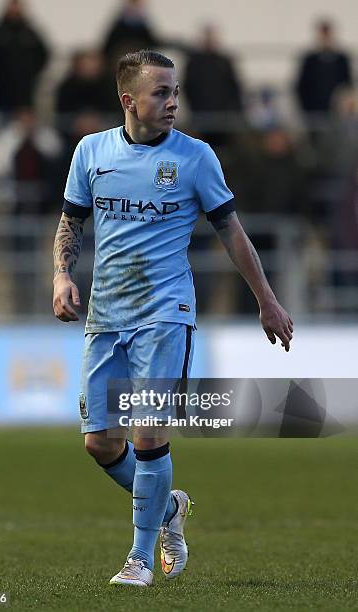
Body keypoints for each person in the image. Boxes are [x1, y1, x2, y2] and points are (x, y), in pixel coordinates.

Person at [52, 50, 293, 587]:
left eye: (174, 92)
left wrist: (267, 299)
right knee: (100, 444)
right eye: (160, 93)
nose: (172, 102)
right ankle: (168, 511)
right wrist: (61, 276)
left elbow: (231, 231)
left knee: (147, 433)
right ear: (128, 100)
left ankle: (138, 559)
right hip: (106, 314)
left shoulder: (196, 157)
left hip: (166, 312)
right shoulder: (91, 152)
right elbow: (71, 220)